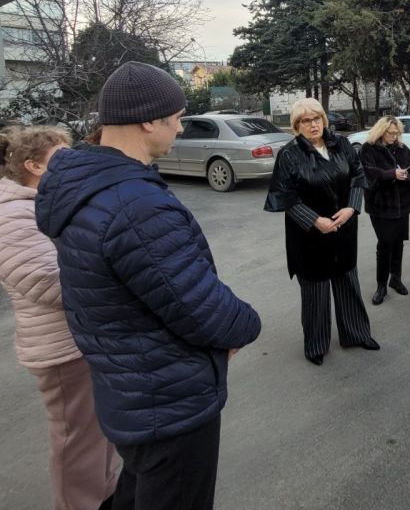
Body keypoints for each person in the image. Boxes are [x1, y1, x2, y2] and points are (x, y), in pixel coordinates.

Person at [35, 62, 262, 510]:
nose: (180, 126)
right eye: (175, 117)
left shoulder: (89, 186)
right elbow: (199, 305)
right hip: (168, 403)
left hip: (130, 390)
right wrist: (245, 327)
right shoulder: (134, 204)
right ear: (147, 120)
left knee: (136, 492)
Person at [0, 125, 119, 510]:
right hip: (59, 348)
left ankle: (104, 493)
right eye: (60, 158)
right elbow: (48, 284)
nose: (71, 164)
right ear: (33, 166)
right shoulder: (12, 216)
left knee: (97, 428)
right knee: (75, 439)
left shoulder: (47, 203)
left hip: (80, 336)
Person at [265, 98, 379, 366]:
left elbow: (357, 176)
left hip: (343, 228)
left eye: (317, 118)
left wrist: (352, 208)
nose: (313, 124)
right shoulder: (290, 154)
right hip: (309, 236)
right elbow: (284, 197)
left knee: (348, 281)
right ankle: (315, 344)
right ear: (296, 125)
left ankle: (356, 333)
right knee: (315, 291)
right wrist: (315, 221)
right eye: (306, 120)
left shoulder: (342, 144)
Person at [359, 116, 410, 305]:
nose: (394, 137)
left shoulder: (403, 149)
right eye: (391, 133)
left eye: (397, 133)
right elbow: (366, 175)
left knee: (399, 243)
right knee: (385, 244)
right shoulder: (367, 149)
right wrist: (390, 174)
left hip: (402, 206)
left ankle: (396, 278)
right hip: (381, 207)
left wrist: (407, 175)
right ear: (381, 131)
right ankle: (381, 286)